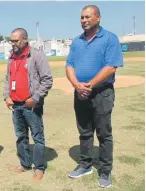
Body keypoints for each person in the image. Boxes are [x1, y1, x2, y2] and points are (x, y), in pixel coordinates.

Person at [66, 5, 123, 188]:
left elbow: (111, 66)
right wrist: (76, 85)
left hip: (102, 93)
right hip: (80, 92)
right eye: (82, 17)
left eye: (88, 17)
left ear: (98, 18)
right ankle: (85, 165)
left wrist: (90, 85)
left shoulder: (109, 38)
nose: (84, 20)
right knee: (84, 132)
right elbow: (69, 65)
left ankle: (105, 171)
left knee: (104, 134)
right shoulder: (76, 41)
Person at [3, 28, 53, 181]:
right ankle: (25, 164)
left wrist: (36, 97)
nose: (13, 43)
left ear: (25, 39)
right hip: (16, 106)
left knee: (37, 137)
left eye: (16, 40)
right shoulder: (11, 57)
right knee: (21, 136)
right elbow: (7, 79)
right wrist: (6, 96)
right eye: (11, 40)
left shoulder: (37, 55)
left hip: (31, 105)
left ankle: (39, 167)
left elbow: (47, 79)